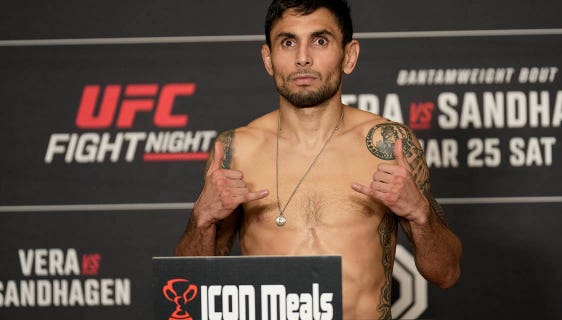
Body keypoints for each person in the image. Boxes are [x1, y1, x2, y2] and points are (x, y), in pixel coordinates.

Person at [175, 0, 462, 318]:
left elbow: (446, 274)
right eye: (288, 42)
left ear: (349, 56)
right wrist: (201, 221)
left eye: (320, 40)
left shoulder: (389, 145)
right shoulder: (235, 150)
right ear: (268, 59)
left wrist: (420, 215)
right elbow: (188, 290)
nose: (302, 58)